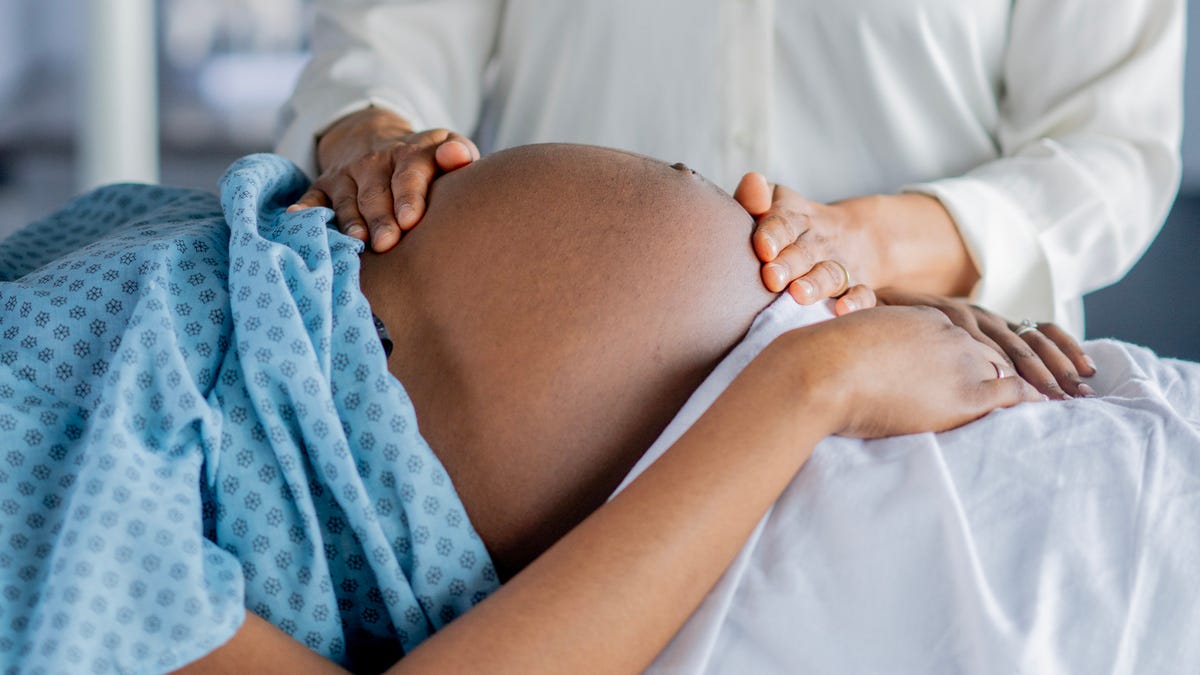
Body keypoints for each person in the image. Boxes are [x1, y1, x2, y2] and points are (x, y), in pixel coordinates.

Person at [0, 144, 1049, 674]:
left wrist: (369, 151)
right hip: (800, 428)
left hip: (886, 357)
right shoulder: (32, 504)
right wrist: (812, 382)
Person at [277, 0, 1184, 348]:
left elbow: (1112, 148)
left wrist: (869, 239)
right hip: (557, 425)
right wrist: (372, 131)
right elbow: (383, 41)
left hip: (942, 403)